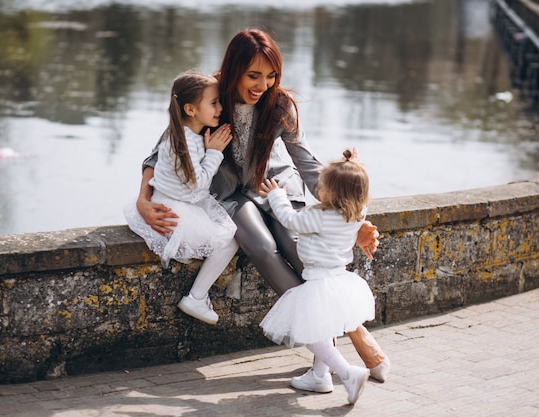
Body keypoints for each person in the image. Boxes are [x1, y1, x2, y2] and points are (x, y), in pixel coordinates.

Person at [136, 29, 390, 383]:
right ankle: (352, 342)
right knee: (262, 246)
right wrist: (143, 200)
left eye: (270, 76)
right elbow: (162, 149)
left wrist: (352, 216)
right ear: (234, 68)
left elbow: (307, 164)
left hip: (277, 188)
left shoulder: (279, 104)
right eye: (253, 75)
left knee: (301, 253)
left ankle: (339, 353)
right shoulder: (211, 94)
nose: (262, 85)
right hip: (230, 195)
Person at [258, 150, 375, 404]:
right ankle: (320, 376)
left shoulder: (319, 217)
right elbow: (356, 189)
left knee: (309, 334)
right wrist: (351, 167)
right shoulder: (356, 213)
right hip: (340, 280)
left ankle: (347, 372)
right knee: (325, 328)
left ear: (332, 194)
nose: (317, 189)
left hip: (318, 282)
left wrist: (277, 195)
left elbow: (290, 220)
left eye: (322, 186)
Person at [124, 71, 239, 325]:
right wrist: (215, 153)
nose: (220, 108)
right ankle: (196, 296)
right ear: (190, 109)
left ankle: (198, 297)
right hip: (175, 209)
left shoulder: (178, 134)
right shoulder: (190, 144)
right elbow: (197, 190)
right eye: (214, 103)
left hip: (168, 200)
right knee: (229, 241)